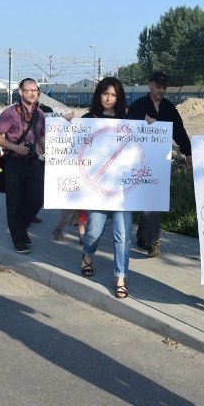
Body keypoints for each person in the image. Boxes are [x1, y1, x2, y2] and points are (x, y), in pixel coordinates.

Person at [126, 71, 193, 258]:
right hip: (137, 163)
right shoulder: (137, 107)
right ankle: (145, 236)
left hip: (159, 165)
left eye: (164, 87)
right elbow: (125, 132)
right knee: (145, 203)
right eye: (158, 86)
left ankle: (152, 241)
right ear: (150, 85)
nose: (161, 90)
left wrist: (188, 153)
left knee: (152, 202)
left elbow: (179, 131)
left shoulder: (169, 108)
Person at [78, 77, 133, 298]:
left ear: (118, 98)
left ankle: (120, 278)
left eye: (113, 95)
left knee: (123, 235)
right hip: (97, 189)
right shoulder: (87, 119)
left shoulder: (129, 121)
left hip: (123, 191)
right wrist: (67, 123)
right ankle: (87, 254)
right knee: (93, 232)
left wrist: (150, 126)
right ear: (98, 95)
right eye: (105, 94)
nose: (109, 98)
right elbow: (73, 143)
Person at [0, 78, 45, 253]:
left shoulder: (40, 114)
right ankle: (18, 238)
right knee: (14, 202)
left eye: (34, 90)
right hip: (14, 162)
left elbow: (43, 137)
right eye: (28, 90)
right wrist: (15, 147)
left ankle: (20, 228)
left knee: (38, 198)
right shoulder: (11, 113)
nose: (32, 93)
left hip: (34, 161)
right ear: (20, 91)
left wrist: (49, 153)